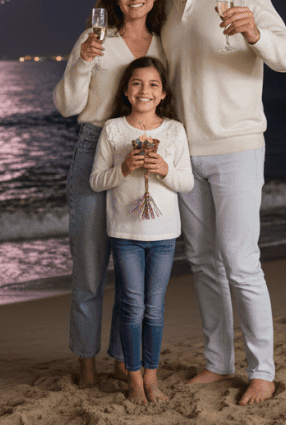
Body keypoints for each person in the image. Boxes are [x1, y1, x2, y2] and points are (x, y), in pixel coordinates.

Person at [156, 0, 286, 405]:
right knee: (203, 261)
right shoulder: (167, 3)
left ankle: (262, 371)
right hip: (186, 153)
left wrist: (255, 32)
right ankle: (218, 361)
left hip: (238, 147)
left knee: (241, 260)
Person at [54, 0, 169, 387]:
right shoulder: (95, 38)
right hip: (92, 152)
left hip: (138, 155)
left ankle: (123, 359)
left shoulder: (162, 43)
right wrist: (83, 61)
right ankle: (86, 362)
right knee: (88, 268)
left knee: (130, 269)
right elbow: (66, 105)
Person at [89, 57, 193, 403]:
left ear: (163, 93)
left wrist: (164, 169)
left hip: (163, 235)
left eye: (152, 85)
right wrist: (123, 168)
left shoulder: (174, 131)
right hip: (126, 234)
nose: (144, 90)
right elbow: (96, 181)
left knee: (155, 307)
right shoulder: (114, 130)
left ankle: (152, 376)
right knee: (133, 305)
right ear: (126, 90)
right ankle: (133, 378)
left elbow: (187, 182)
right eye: (136, 83)